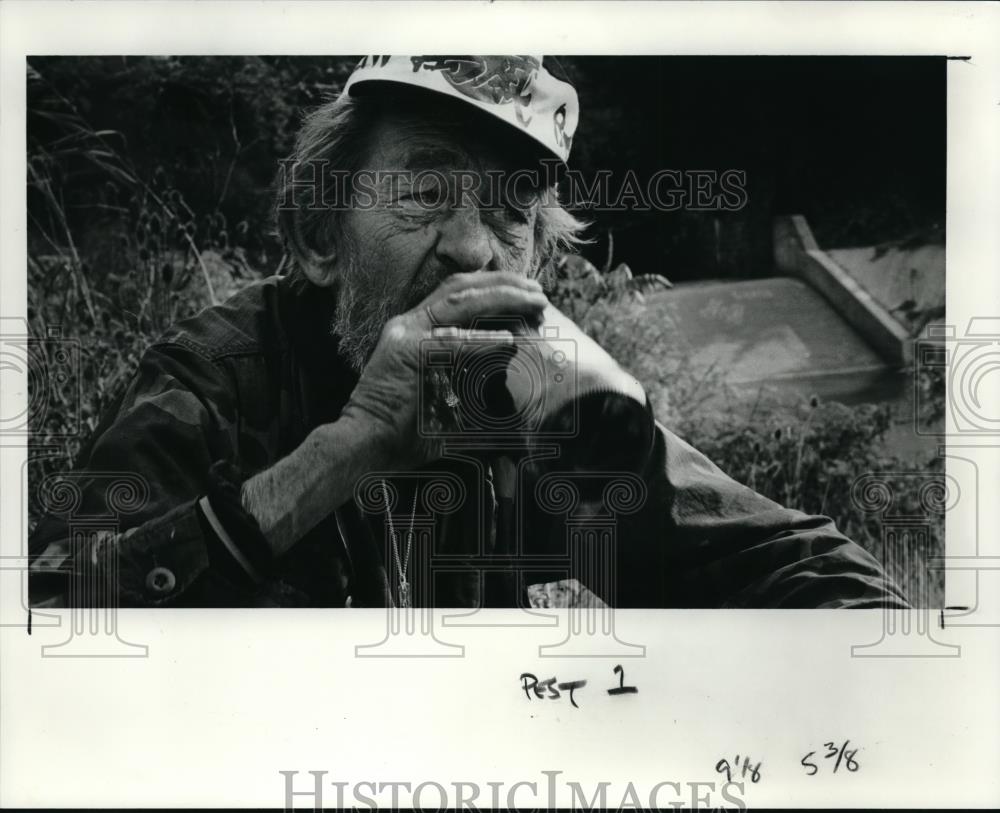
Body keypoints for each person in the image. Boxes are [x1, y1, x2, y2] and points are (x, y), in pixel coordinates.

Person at [29, 55, 908, 609]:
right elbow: (57, 625)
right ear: (316, 236)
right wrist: (351, 449)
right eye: (423, 193)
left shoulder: (540, 397)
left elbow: (774, 557)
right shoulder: (213, 378)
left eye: (511, 208)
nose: (470, 245)